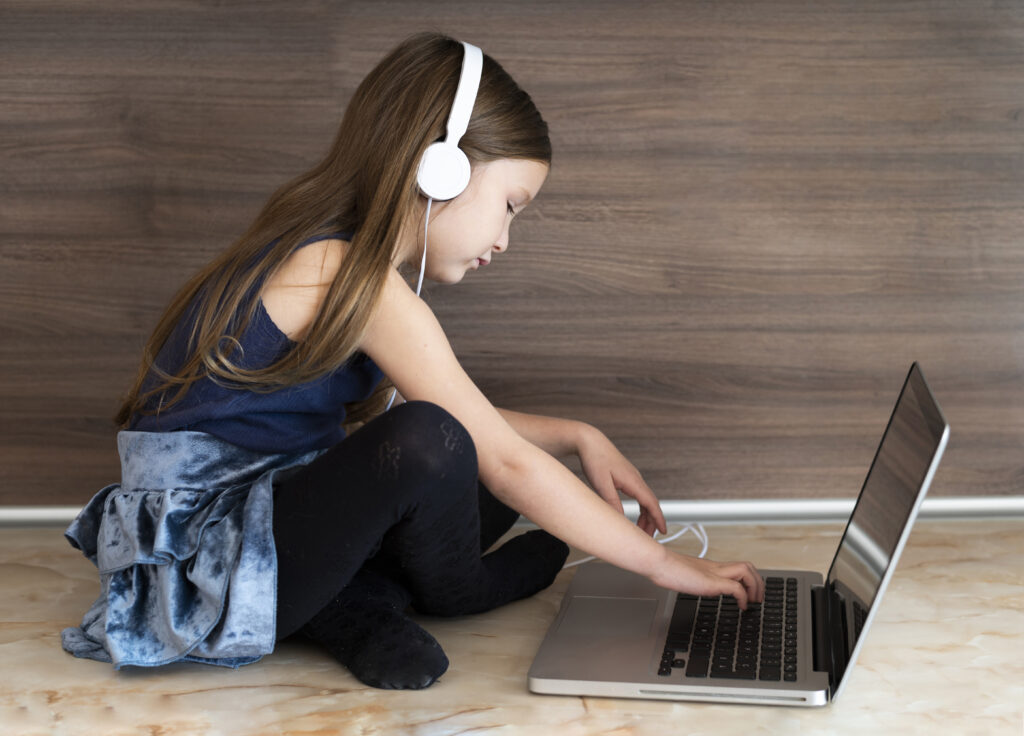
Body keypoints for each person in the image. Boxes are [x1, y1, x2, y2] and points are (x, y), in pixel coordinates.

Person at [61, 32, 764, 691]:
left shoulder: (327, 252)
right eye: (511, 206)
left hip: (266, 518)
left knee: (455, 452)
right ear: (441, 168)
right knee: (438, 448)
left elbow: (458, 419)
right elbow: (487, 451)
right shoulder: (351, 278)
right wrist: (669, 568)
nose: (506, 239)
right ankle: (458, 592)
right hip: (209, 561)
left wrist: (579, 435)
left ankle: (353, 603)